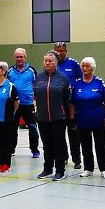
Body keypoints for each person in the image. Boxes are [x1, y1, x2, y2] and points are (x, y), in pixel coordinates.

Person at [70, 57, 105, 179]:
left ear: (92, 68)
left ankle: (104, 169)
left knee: (100, 145)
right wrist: (72, 118)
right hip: (82, 119)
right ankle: (88, 168)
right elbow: (72, 103)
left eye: (87, 66)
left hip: (97, 118)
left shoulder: (99, 82)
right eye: (83, 66)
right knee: (85, 145)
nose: (85, 68)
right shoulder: (77, 83)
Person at [35, 51, 72, 181]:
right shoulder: (39, 77)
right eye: (45, 61)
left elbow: (67, 99)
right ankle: (47, 169)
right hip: (42, 117)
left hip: (58, 118)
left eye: (50, 61)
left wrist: (68, 117)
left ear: (56, 63)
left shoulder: (63, 78)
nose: (47, 63)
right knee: (46, 144)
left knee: (59, 144)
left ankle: (60, 170)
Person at [54, 42, 83, 168]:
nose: (60, 53)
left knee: (73, 132)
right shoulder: (53, 65)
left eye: (62, 50)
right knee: (60, 133)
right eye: (57, 51)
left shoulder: (73, 64)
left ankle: (77, 159)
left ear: (66, 51)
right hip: (58, 104)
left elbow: (81, 81)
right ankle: (63, 157)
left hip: (71, 104)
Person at [7, 48, 40, 158]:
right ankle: (11, 149)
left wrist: (35, 101)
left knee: (32, 127)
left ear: (25, 57)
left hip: (28, 104)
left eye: (21, 57)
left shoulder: (31, 71)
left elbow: (37, 86)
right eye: (17, 57)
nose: (19, 59)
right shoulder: (10, 71)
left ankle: (35, 150)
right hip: (14, 105)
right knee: (12, 128)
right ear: (14, 58)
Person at [0, 62, 18, 173]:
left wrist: (11, 113)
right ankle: (1, 163)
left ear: (4, 71)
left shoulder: (10, 86)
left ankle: (7, 164)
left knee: (6, 141)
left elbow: (16, 102)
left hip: (6, 119)